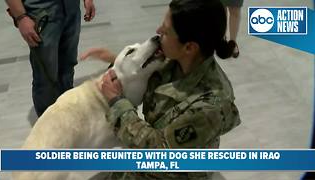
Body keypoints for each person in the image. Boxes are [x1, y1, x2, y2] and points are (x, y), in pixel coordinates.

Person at [83, 0, 241, 179]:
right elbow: (143, 69)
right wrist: (115, 59)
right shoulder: (175, 60)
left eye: (166, 31)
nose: (158, 31)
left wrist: (117, 103)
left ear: (189, 47)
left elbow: (159, 153)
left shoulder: (211, 104)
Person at [5, 0, 96, 117]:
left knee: (67, 69)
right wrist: (21, 17)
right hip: (42, 9)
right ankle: (48, 125)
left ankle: (68, 118)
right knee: (46, 77)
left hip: (71, 8)